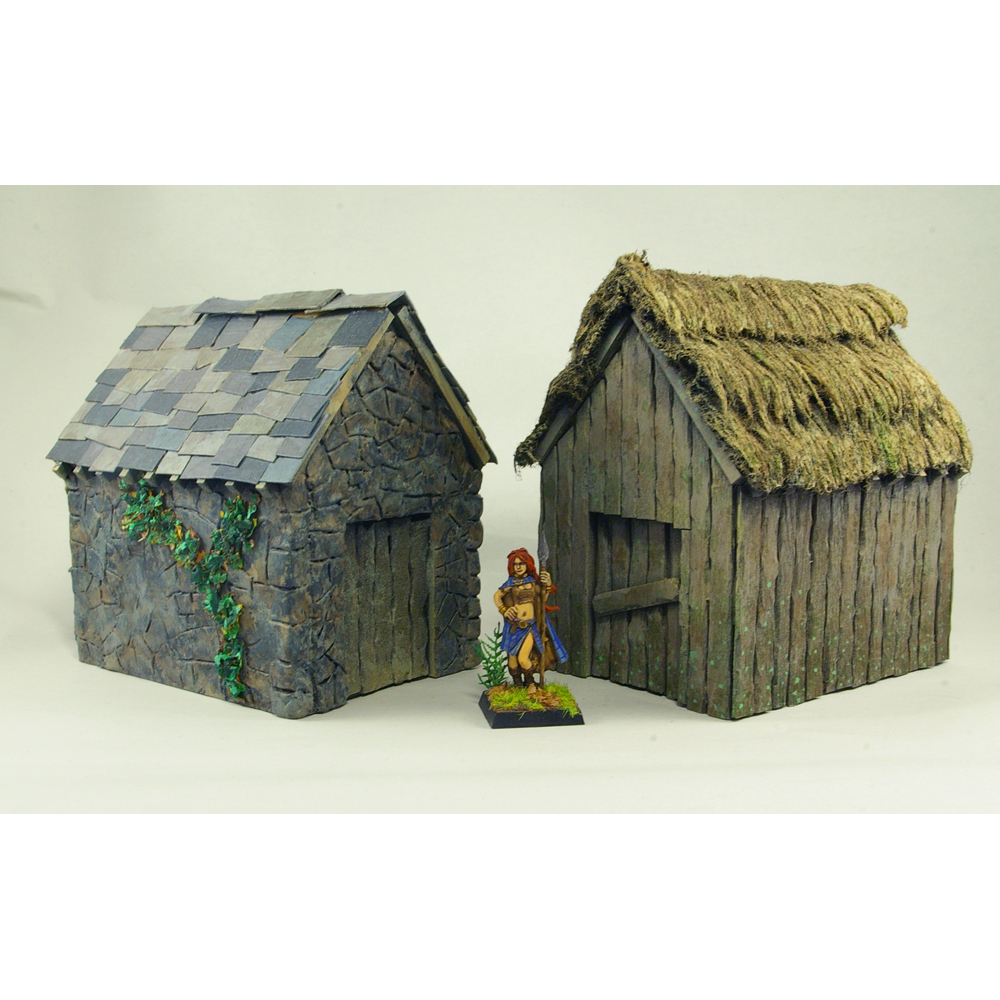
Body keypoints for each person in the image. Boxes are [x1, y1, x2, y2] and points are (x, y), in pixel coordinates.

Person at [493, 547, 568, 691]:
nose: (518, 567)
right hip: (513, 627)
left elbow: (542, 600)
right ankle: (518, 685)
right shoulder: (511, 583)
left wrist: (547, 585)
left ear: (527, 564)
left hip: (529, 627)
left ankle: (530, 683)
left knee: (523, 658)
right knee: (512, 662)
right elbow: (497, 596)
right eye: (515, 564)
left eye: (521, 563)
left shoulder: (533, 583)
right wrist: (504, 610)